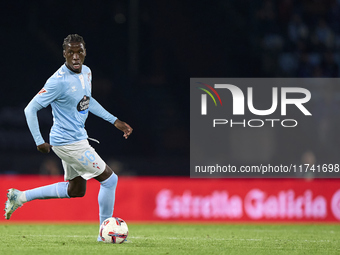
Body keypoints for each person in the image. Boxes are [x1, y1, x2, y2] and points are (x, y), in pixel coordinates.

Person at [4, 34, 133, 242]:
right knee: (110, 180)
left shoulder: (87, 72)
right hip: (68, 142)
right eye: (70, 52)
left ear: (84, 52)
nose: (75, 56)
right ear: (64, 54)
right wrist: (39, 141)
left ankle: (19, 197)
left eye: (79, 51)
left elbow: (87, 101)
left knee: (76, 190)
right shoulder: (57, 81)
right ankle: (105, 234)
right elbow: (30, 109)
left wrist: (114, 120)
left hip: (77, 139)